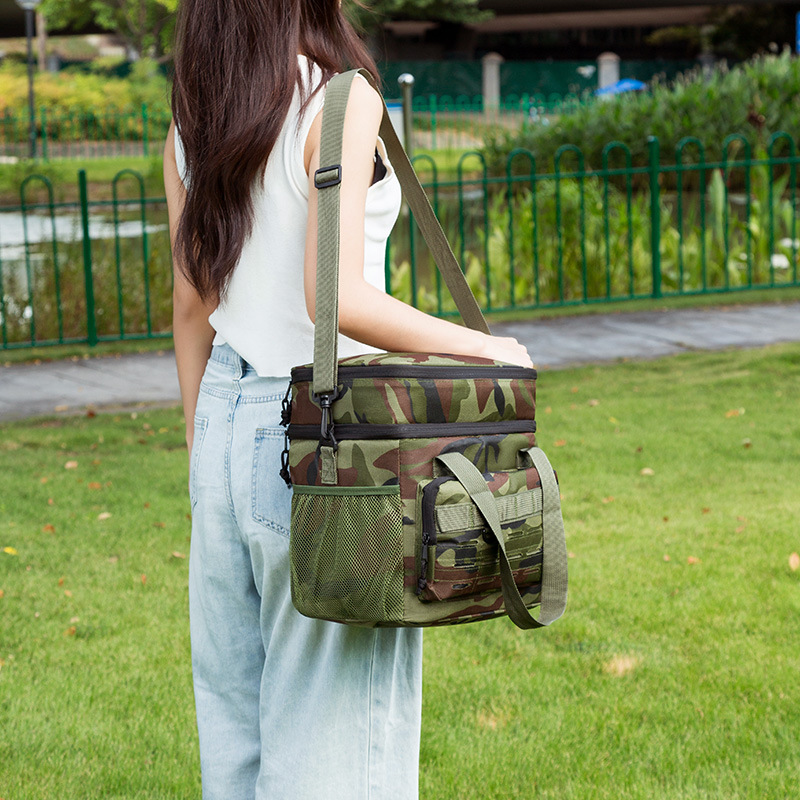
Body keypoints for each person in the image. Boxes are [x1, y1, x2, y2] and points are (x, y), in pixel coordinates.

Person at [164, 1, 533, 797]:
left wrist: (204, 451)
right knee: (338, 743)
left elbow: (192, 303)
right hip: (329, 438)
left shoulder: (196, 112)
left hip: (223, 419)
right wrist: (487, 347)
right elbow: (337, 298)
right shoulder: (338, 98)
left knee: (235, 729)